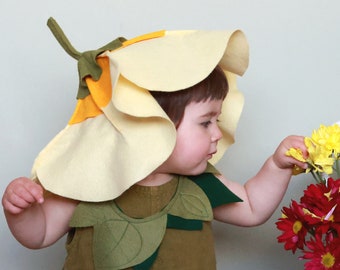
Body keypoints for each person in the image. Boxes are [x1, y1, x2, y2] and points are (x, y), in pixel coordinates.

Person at [2, 18, 308, 269]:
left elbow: (252, 207)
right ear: (148, 121)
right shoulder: (89, 176)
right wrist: (22, 211)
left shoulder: (198, 183)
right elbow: (40, 234)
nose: (218, 133)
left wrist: (277, 166)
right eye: (206, 122)